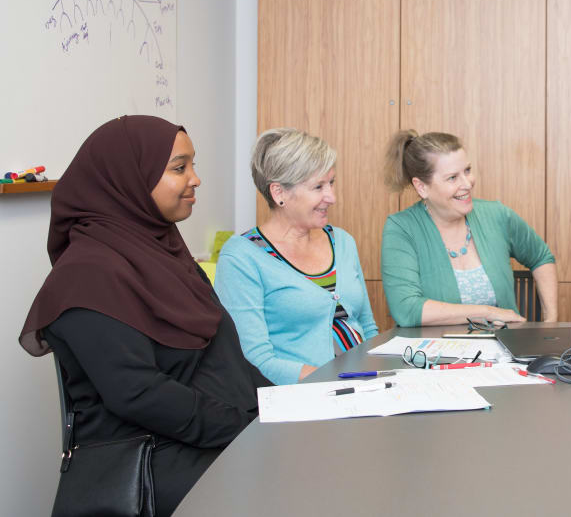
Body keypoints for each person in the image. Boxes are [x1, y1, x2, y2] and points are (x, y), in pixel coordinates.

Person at [19, 116, 268, 517]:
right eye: (179, 167)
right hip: (153, 464)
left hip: (210, 443)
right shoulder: (86, 275)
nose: (196, 179)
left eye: (193, 165)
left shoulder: (165, 252)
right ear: (128, 178)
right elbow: (138, 393)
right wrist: (247, 431)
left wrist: (285, 407)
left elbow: (226, 359)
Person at [215, 128, 378, 385]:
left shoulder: (342, 241)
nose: (332, 197)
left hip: (364, 387)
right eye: (318, 187)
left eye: (331, 183)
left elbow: (367, 328)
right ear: (279, 193)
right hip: (300, 398)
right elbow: (254, 359)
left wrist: (379, 378)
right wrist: (339, 380)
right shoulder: (242, 257)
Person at [381, 130, 558, 326]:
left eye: (467, 171)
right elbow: (407, 309)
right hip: (436, 354)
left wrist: (550, 321)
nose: (467, 183)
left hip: (505, 352)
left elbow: (541, 256)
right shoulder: (401, 228)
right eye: (452, 178)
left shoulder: (496, 215)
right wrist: (487, 312)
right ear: (422, 187)